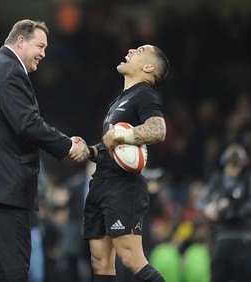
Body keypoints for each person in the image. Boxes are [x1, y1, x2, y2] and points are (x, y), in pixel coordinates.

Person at [0, 19, 89, 282]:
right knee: (13, 265)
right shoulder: (10, 69)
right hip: (2, 187)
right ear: (21, 41)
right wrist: (68, 145)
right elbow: (27, 123)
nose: (44, 54)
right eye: (40, 46)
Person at [84, 44, 169, 282]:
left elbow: (158, 130)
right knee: (99, 261)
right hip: (101, 182)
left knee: (131, 259)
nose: (131, 49)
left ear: (148, 67)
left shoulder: (145, 94)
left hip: (123, 185)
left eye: (140, 50)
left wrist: (121, 135)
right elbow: (110, 146)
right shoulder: (118, 101)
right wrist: (90, 150)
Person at [195, 143, 251, 282]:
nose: (234, 168)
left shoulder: (250, 179)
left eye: (237, 164)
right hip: (222, 236)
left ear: (242, 165)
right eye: (231, 164)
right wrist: (209, 210)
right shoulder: (217, 180)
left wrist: (233, 208)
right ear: (225, 163)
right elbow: (200, 202)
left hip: (244, 237)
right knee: (218, 275)